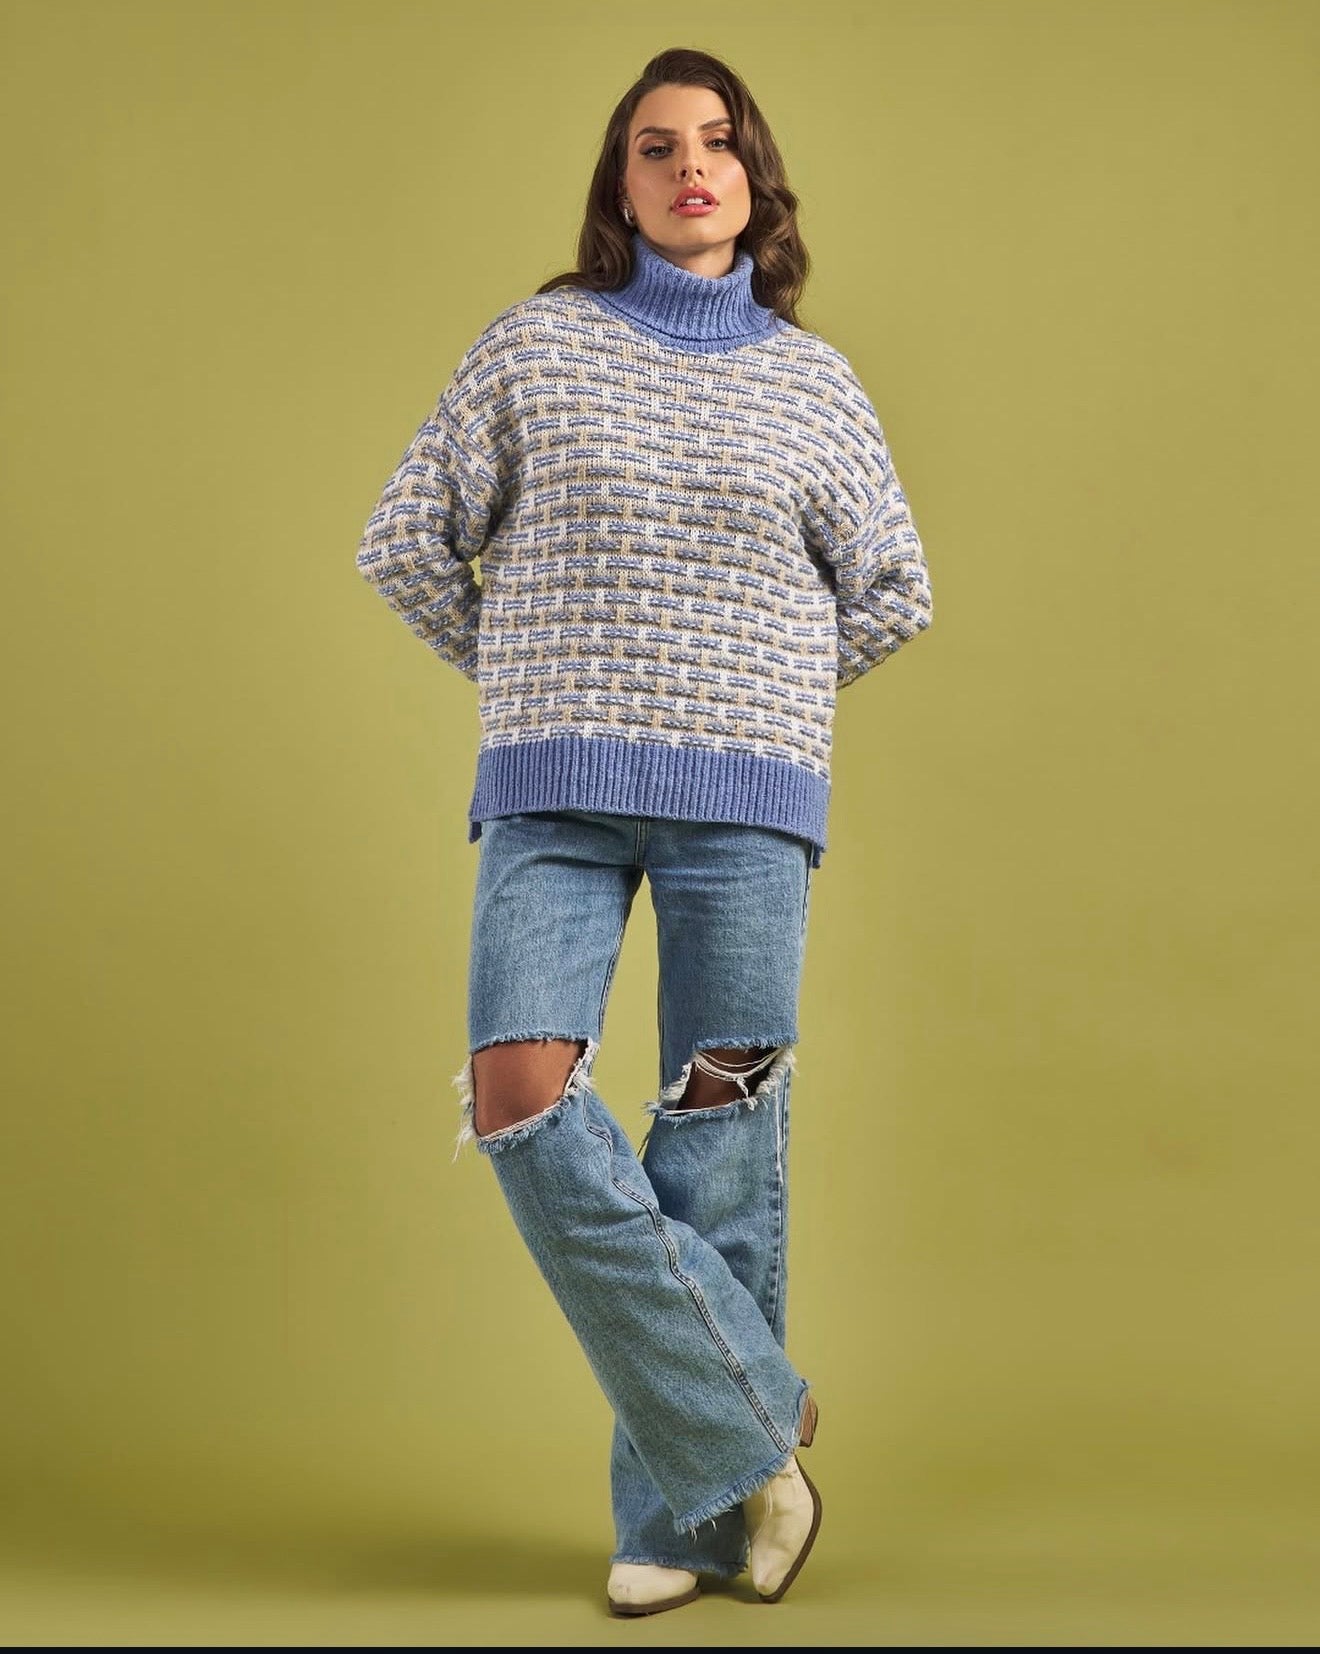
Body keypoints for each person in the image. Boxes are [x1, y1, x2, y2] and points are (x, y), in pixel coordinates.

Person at [355, 45, 933, 1616]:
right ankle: (763, 1416)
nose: (692, 167)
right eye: (658, 146)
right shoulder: (536, 347)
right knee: (519, 1093)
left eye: (719, 143)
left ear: (756, 179)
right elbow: (406, 542)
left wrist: (756, 698)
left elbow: (894, 587)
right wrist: (536, 677)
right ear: (620, 184)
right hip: (553, 795)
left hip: (745, 811)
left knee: (715, 1140)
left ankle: (690, 1524)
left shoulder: (813, 383)